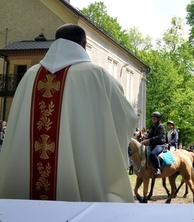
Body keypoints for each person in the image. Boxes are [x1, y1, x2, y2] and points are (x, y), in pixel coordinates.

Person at [0, 24, 136, 202]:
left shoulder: (29, 76)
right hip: (81, 186)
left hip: (26, 190)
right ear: (84, 44)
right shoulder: (97, 76)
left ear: (56, 43)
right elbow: (127, 117)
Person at [141, 111, 166, 176]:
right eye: (152, 118)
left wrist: (149, 140)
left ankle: (158, 169)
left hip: (160, 145)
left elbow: (158, 137)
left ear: (158, 119)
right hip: (153, 144)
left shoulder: (161, 127)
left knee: (153, 154)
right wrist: (144, 140)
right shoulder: (153, 126)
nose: (153, 119)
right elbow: (149, 135)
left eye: (154, 118)